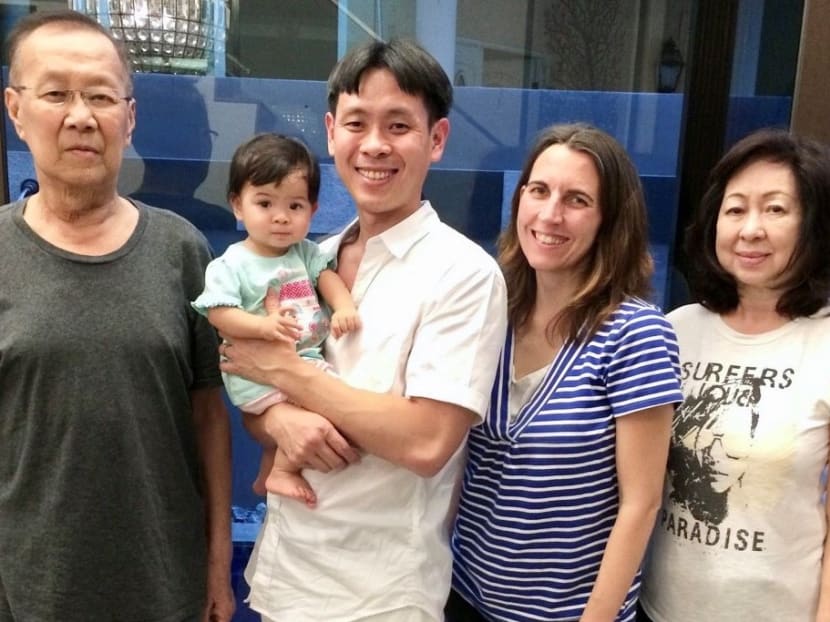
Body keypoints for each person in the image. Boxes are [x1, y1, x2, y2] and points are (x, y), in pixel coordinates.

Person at [219, 38, 508, 621]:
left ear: (438, 139)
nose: (374, 145)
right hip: (282, 576)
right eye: (357, 122)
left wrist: (286, 373)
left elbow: (427, 443)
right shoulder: (309, 257)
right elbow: (246, 379)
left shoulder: (464, 274)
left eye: (399, 124)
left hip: (377, 598)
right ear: (330, 132)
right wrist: (275, 414)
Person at [0, 10, 234, 621]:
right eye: (55, 94)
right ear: (16, 109)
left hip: (165, 586)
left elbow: (210, 419)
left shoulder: (182, 250)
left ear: (128, 118)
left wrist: (216, 570)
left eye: (101, 96)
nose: (81, 116)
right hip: (28, 591)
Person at [447, 123, 683, 622]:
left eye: (577, 199)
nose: (550, 214)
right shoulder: (492, 312)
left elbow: (641, 504)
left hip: (571, 614)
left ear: (608, 220)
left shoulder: (636, 334)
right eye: (539, 191)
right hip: (464, 596)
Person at [639, 128, 830, 622]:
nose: (750, 229)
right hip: (656, 608)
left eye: (776, 209)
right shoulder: (674, 330)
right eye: (735, 208)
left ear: (815, 225)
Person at [192, 132, 360, 507]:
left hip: (300, 360)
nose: (281, 217)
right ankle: (282, 472)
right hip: (257, 370)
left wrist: (344, 306)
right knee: (327, 406)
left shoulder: (306, 252)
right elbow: (220, 314)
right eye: (265, 203)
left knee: (314, 406)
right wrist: (263, 328)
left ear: (313, 210)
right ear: (238, 205)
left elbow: (326, 278)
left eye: (295, 206)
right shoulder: (231, 264)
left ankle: (269, 470)